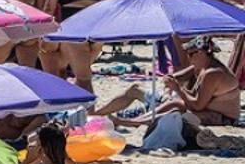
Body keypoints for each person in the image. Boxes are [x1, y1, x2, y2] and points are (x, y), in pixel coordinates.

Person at [99, 36, 239, 130]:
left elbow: (198, 105)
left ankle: (132, 122)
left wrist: (177, 89)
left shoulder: (213, 73)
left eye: (191, 54)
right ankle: (97, 113)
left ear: (202, 53)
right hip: (195, 107)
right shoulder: (201, 66)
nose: (189, 58)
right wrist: (169, 88)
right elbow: (173, 77)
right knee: (135, 89)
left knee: (175, 105)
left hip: (219, 117)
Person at [43, 0, 110, 92]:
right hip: (96, 28)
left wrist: (42, 31)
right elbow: (109, 2)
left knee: (83, 78)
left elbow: (49, 8)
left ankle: (89, 114)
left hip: (74, 28)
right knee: (83, 72)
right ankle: (79, 108)